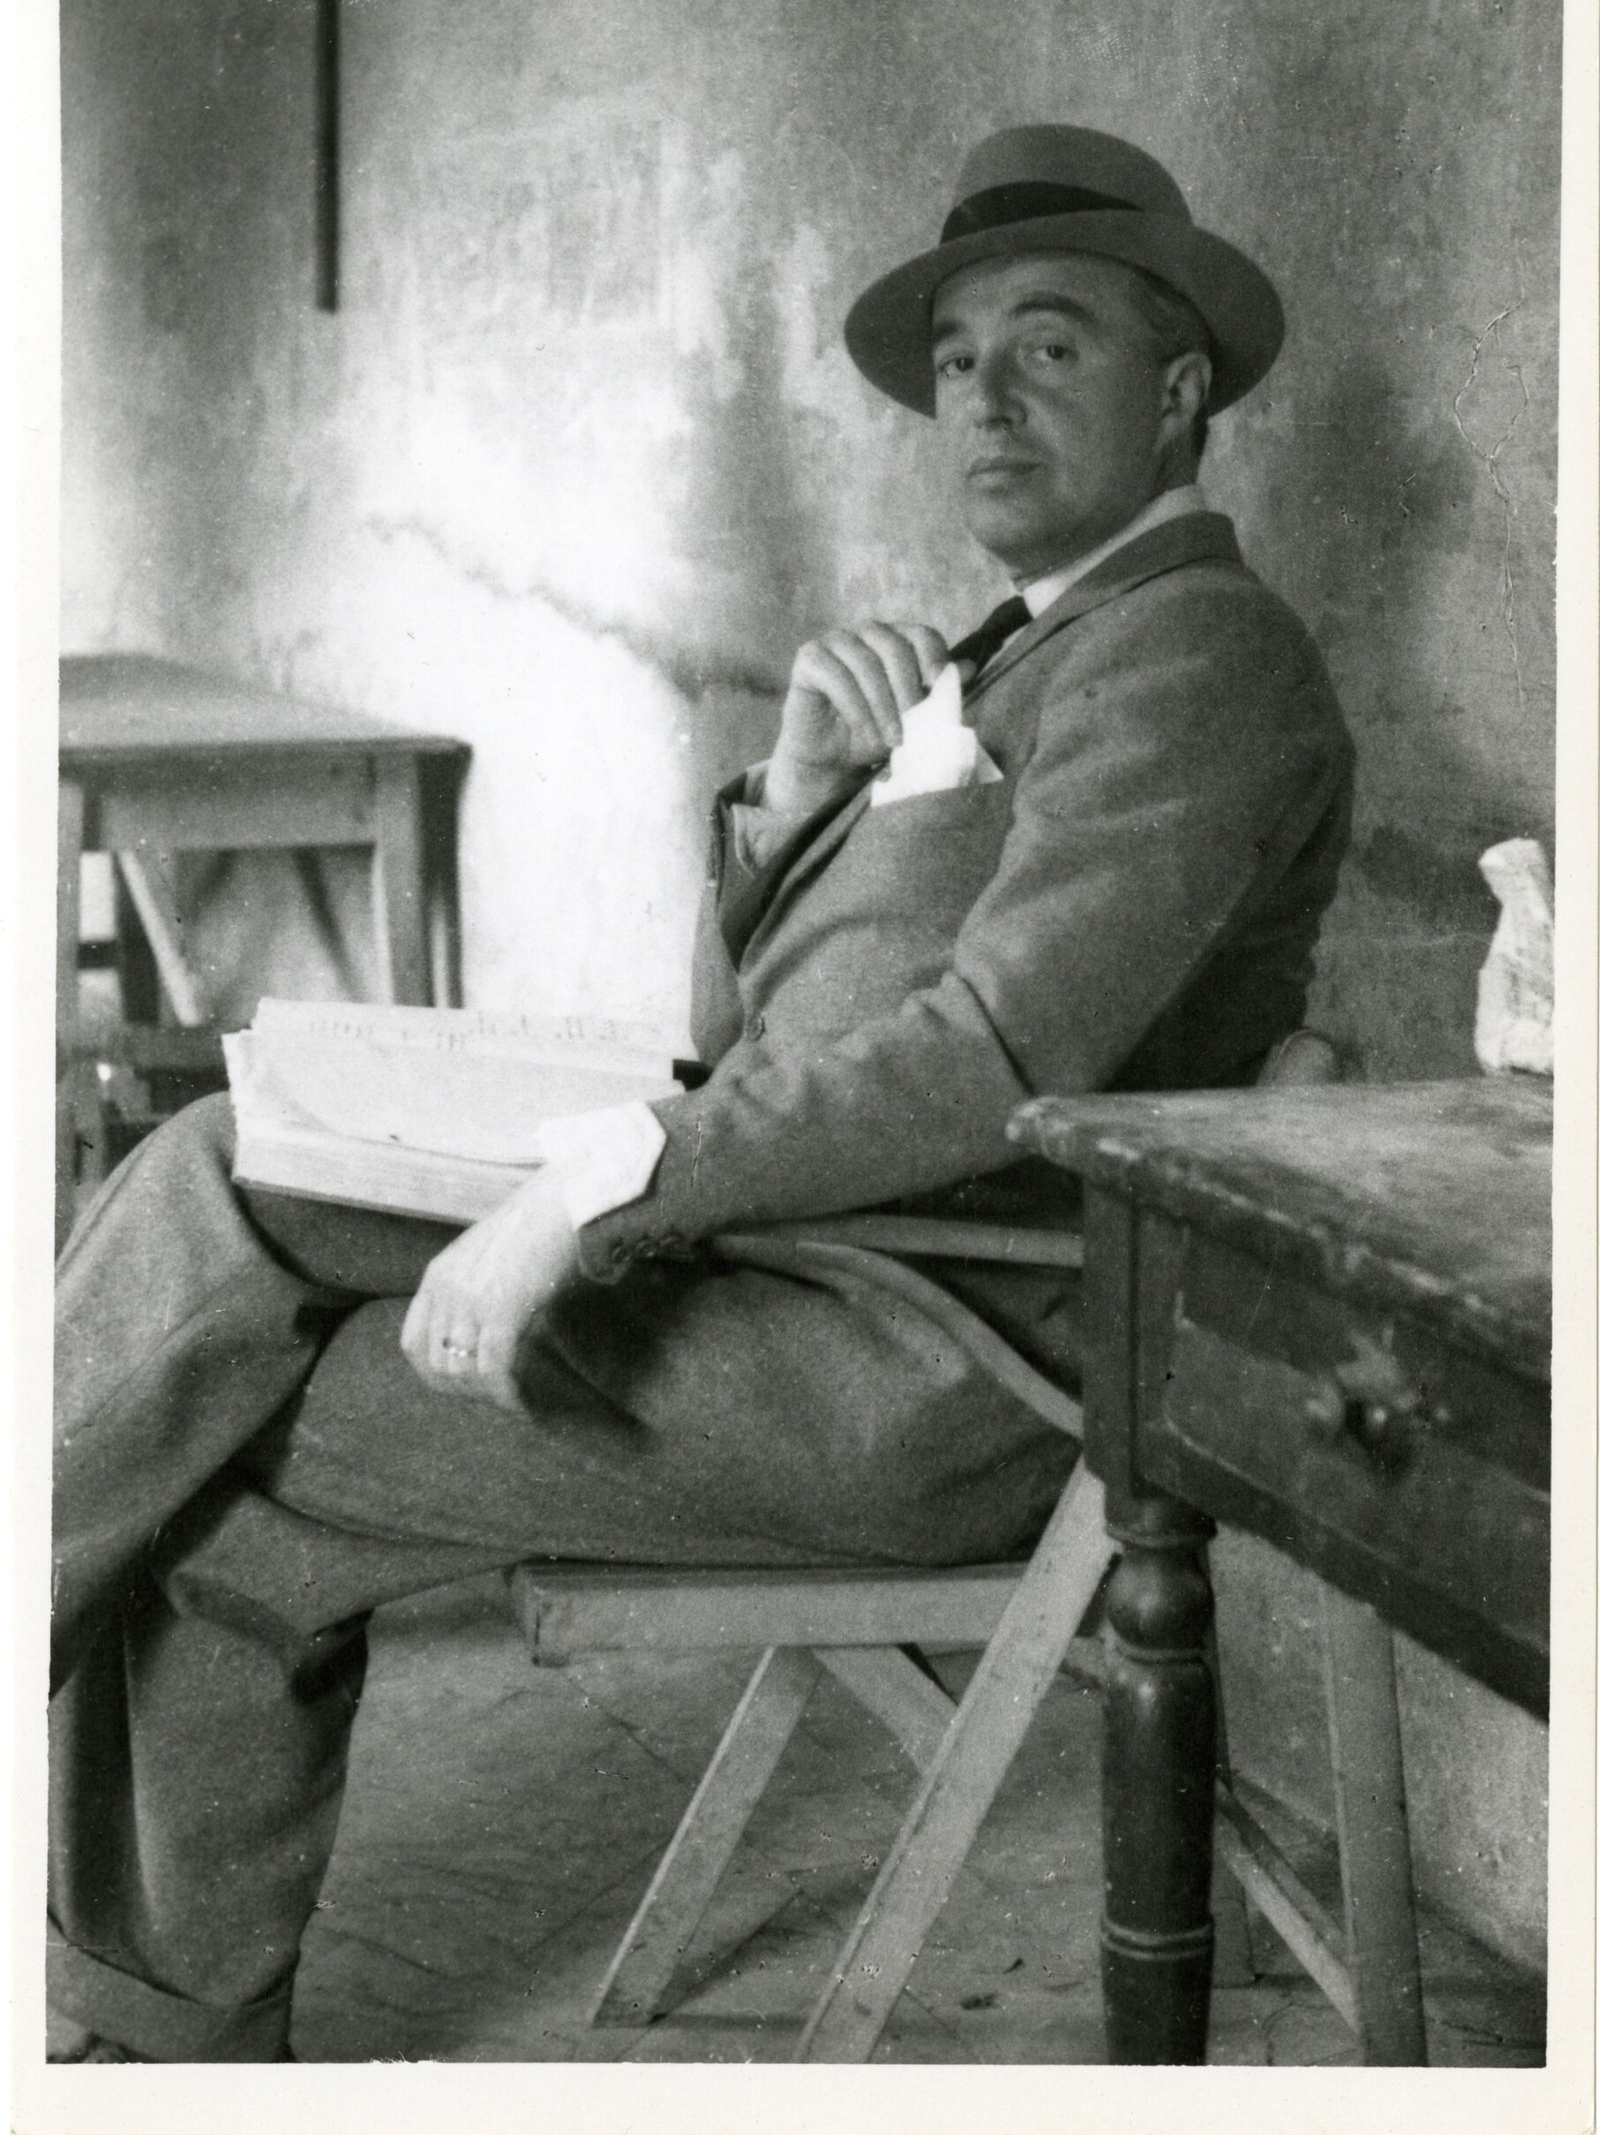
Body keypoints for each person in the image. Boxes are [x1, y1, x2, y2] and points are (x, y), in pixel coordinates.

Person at [49, 123, 1354, 2061]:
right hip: (815, 1268)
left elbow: (988, 1056)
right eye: (957, 359)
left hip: (940, 1362)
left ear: (1176, 393)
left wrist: (588, 1190)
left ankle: (154, 2045)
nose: (981, 399)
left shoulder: (1196, 656)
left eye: (1047, 346)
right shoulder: (1014, 651)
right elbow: (741, 1038)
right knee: (222, 1222)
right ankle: (157, 2042)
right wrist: (802, 795)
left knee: (226, 1390)